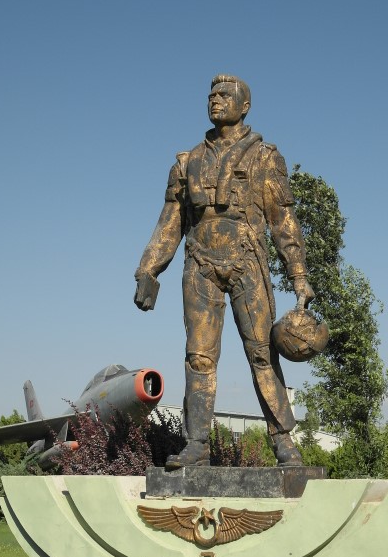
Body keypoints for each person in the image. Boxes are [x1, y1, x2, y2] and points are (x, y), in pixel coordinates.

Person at [134, 74, 314, 469]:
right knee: (198, 358)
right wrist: (149, 268)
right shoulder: (187, 162)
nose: (215, 100)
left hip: (247, 262)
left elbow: (283, 220)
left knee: (262, 354)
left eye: (224, 95)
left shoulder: (265, 157)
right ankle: (197, 444)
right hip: (199, 266)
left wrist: (298, 275)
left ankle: (284, 442)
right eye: (211, 95)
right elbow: (170, 222)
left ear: (244, 106)